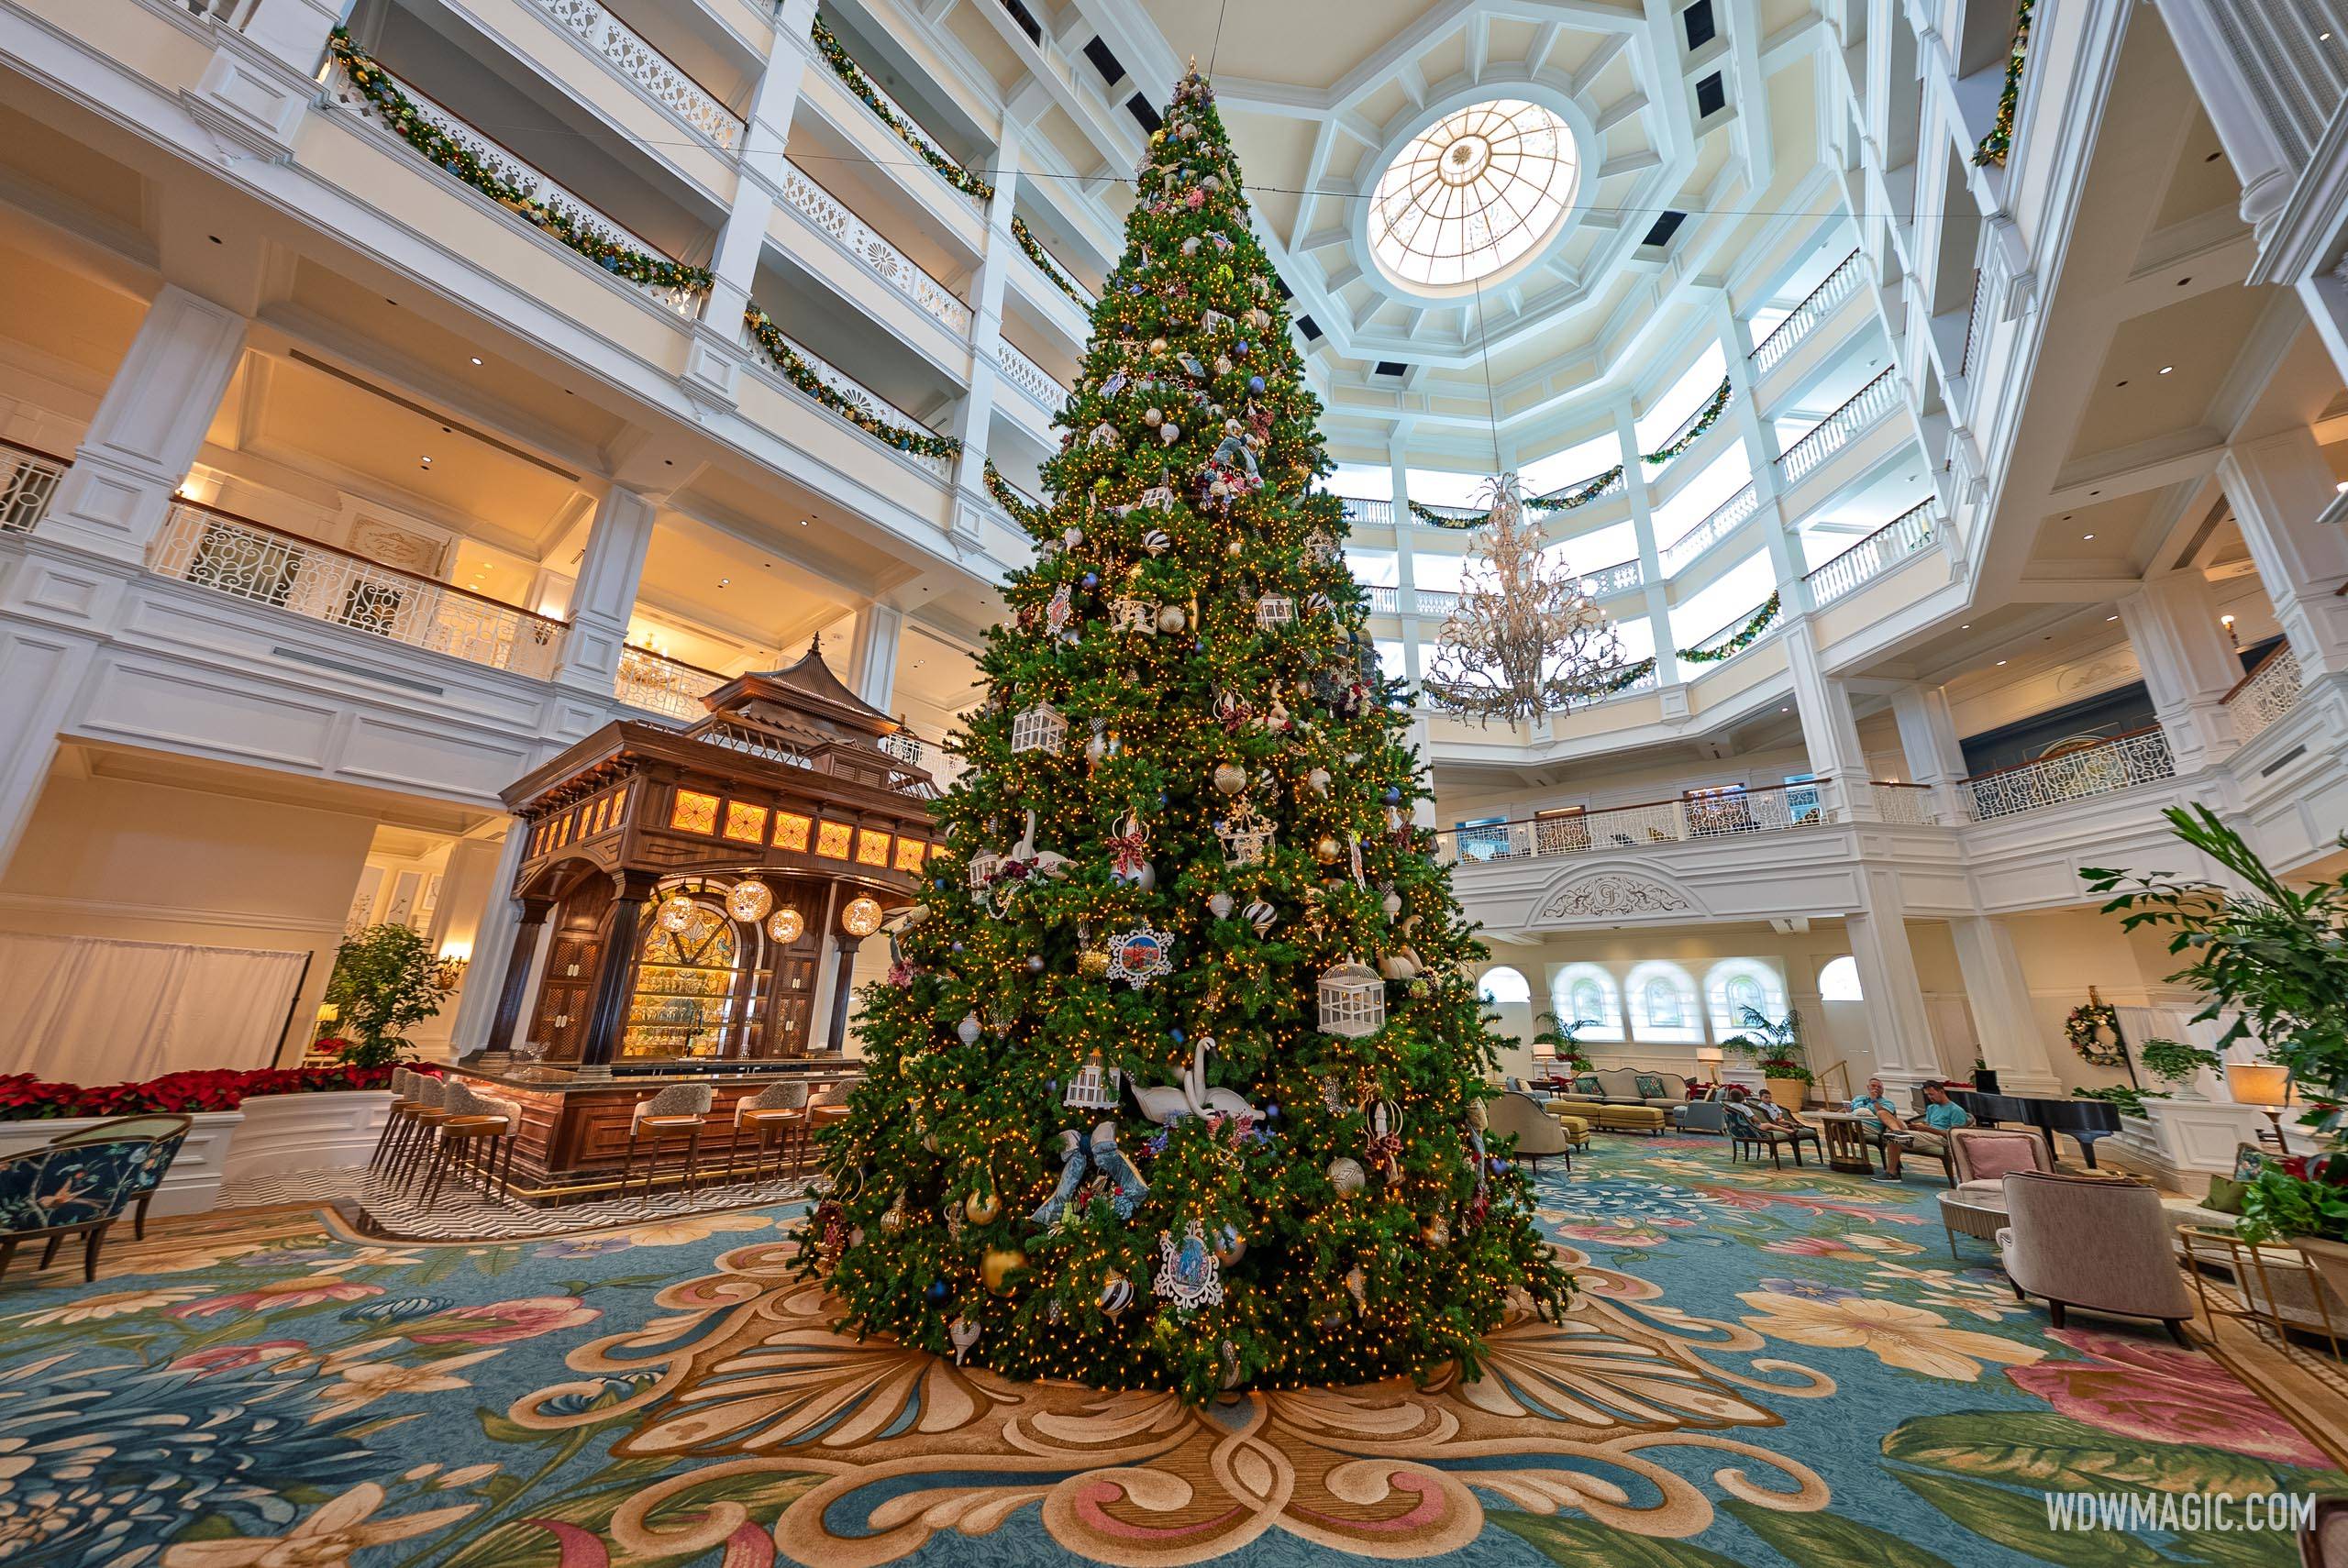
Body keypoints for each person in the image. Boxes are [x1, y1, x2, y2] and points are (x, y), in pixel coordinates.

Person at [1874, 1079, 1974, 1181]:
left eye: (1932, 1094)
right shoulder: (1932, 1108)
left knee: (1893, 1137)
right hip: (1925, 1133)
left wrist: (1927, 1129)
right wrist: (1918, 1126)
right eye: (1928, 1095)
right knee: (1882, 1113)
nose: (1930, 1097)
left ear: (1941, 1092)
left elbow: (1954, 1135)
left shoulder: (1956, 1110)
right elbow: (1927, 1124)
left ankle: (1891, 1173)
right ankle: (1898, 1131)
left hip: (1939, 1138)